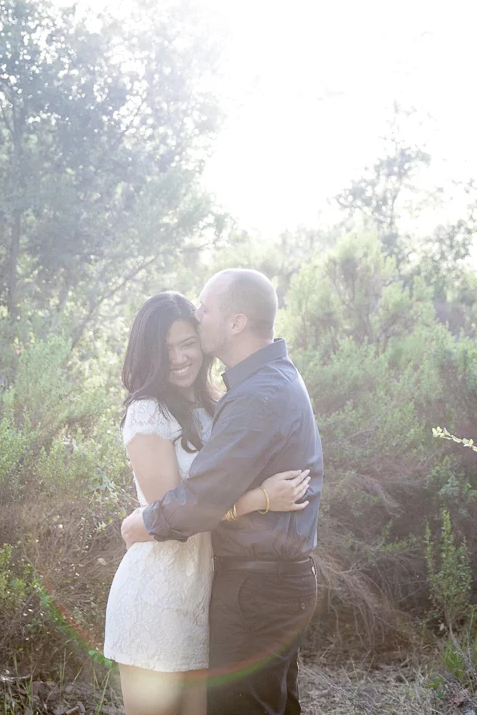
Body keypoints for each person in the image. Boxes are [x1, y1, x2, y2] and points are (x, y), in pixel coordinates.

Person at [122, 269, 324, 715]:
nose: (198, 315)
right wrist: (260, 499)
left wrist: (142, 522)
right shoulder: (261, 382)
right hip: (214, 583)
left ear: (235, 322)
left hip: (257, 587)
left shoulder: (252, 395)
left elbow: (197, 503)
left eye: (205, 308)